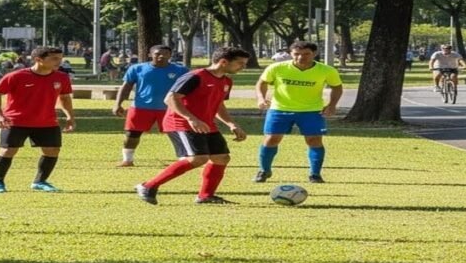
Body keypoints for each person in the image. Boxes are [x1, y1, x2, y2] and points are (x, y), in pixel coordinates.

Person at [134, 47, 249, 205]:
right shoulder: (195, 76)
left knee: (221, 158)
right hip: (181, 122)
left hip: (206, 124)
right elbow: (171, 98)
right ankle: (148, 186)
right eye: (240, 63)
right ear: (223, 62)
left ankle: (205, 196)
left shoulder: (226, 81)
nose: (243, 67)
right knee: (197, 158)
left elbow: (219, 105)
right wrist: (191, 118)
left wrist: (231, 124)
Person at [0, 46, 75, 194]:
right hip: (15, 121)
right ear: (38, 59)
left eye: (60, 58)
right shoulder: (16, 76)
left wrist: (70, 116)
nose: (59, 62)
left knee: (52, 150)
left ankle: (40, 182)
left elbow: (65, 98)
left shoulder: (62, 77)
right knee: (8, 150)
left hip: (46, 121)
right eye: (54, 59)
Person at [254, 41, 343, 184]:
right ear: (291, 54)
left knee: (314, 140)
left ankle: (315, 174)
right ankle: (264, 170)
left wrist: (332, 105)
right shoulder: (277, 68)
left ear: (314, 54)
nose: (301, 57)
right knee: (271, 139)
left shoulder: (327, 70)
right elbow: (262, 82)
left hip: (311, 111)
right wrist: (261, 98)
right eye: (297, 54)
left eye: (306, 54)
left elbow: (337, 87)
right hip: (279, 109)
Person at [112, 44, 188, 167]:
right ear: (150, 55)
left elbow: (189, 89)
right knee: (132, 134)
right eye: (157, 53)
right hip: (140, 107)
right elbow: (126, 87)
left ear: (170, 55)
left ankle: (184, 158)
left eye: (165, 54)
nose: (161, 56)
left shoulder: (181, 70)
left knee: (176, 133)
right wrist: (118, 104)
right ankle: (127, 160)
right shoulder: (137, 69)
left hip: (170, 108)